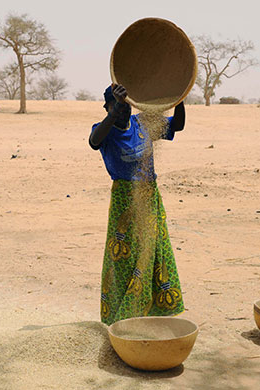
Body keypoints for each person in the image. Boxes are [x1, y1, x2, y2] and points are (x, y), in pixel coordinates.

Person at [90, 83, 186, 325]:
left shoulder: (143, 123)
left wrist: (180, 98)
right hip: (124, 199)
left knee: (154, 249)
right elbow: (93, 141)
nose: (124, 110)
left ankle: (155, 310)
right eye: (117, 105)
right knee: (123, 257)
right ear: (107, 107)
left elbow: (178, 124)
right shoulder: (105, 130)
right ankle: (121, 315)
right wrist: (113, 115)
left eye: (127, 105)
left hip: (148, 195)